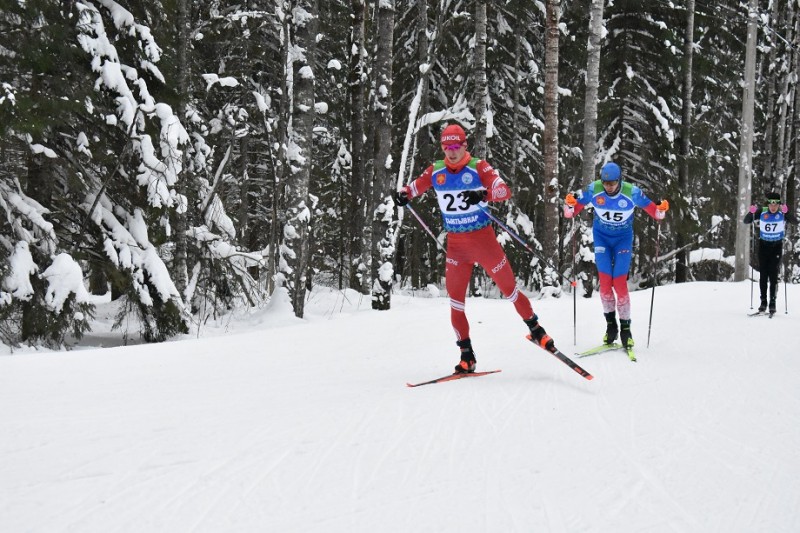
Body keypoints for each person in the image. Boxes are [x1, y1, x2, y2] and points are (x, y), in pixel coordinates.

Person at [394, 123, 555, 373]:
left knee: (510, 290)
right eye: (447, 147)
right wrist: (403, 194)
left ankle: (536, 329)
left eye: (456, 146)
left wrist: (483, 195)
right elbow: (414, 187)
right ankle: (466, 355)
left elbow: (503, 190)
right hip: (456, 246)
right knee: (456, 302)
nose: (452, 152)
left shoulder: (478, 166)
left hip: (483, 242)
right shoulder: (437, 171)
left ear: (464, 145)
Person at [563, 162, 669, 348]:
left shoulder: (632, 192)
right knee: (605, 285)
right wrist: (569, 205)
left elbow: (656, 213)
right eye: (606, 183)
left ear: (619, 180)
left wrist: (661, 210)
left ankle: (626, 329)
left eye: (612, 183)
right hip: (602, 238)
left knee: (619, 283)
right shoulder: (594, 189)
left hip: (622, 240)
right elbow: (571, 212)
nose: (608, 187)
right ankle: (611, 326)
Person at [743, 191, 797, 314]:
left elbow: (795, 222)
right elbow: (746, 221)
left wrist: (787, 212)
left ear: (779, 204)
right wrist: (751, 212)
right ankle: (763, 302)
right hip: (763, 246)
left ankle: (772, 303)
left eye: (776, 205)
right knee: (763, 275)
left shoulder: (782, 213)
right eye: (771, 204)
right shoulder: (762, 211)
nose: (773, 207)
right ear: (768, 204)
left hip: (776, 247)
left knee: (773, 275)